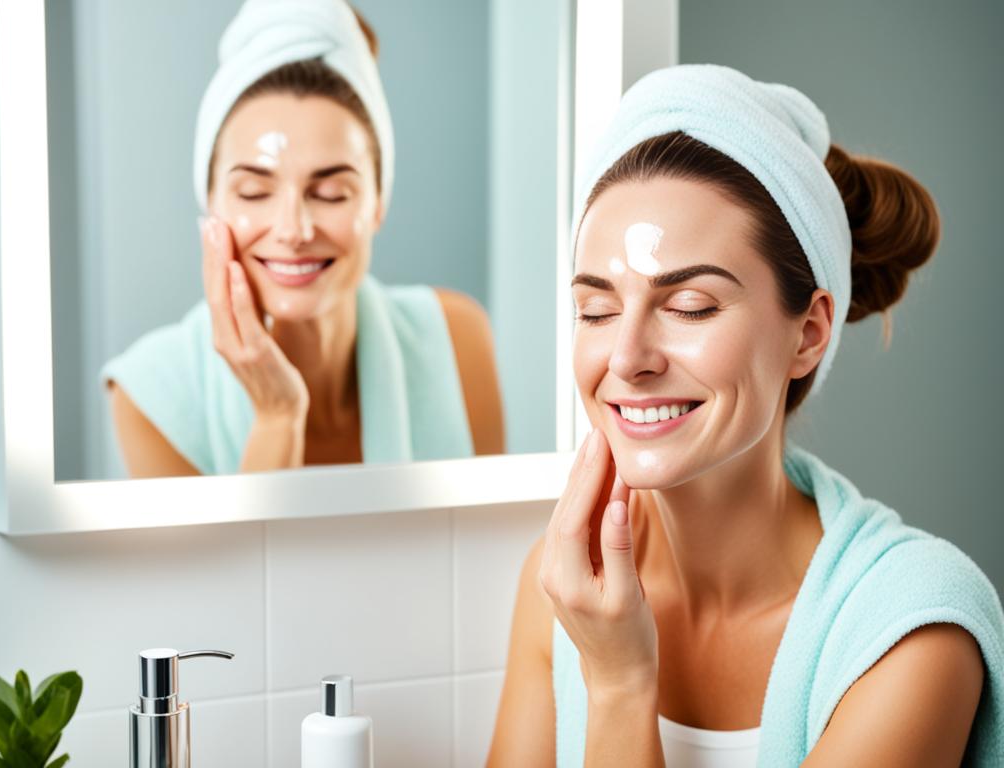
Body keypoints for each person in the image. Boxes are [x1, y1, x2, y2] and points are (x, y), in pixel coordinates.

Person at [488, 65, 1003, 767]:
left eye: (690, 306)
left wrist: (618, 684)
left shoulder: (909, 629)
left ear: (809, 333)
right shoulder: (564, 589)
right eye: (596, 310)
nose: (627, 356)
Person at [102, 0, 504, 477]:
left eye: (332, 193)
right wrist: (277, 416)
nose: (293, 230)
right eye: (254, 192)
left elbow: (490, 550)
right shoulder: (152, 394)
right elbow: (241, 558)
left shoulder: (456, 341)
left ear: (377, 202)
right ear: (211, 204)